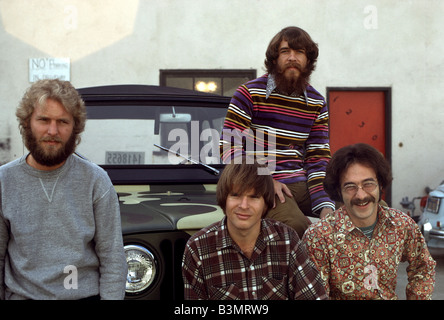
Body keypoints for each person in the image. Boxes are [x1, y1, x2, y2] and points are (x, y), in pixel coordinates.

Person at [0, 79, 127, 300]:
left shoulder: (96, 181)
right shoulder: (4, 181)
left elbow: (113, 259)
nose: (52, 130)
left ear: (74, 127)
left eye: (62, 122)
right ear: (27, 122)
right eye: (43, 120)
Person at [220, 26, 334, 238]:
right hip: (262, 183)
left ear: (308, 60)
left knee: (359, 213)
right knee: (298, 228)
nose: (292, 57)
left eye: (299, 52)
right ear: (274, 59)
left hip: (304, 184)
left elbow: (318, 157)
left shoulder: (317, 102)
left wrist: (325, 204)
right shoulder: (249, 93)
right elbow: (229, 147)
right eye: (285, 52)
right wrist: (263, 180)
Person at [302, 143, 436, 300]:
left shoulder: (401, 224)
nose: (360, 195)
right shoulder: (318, 237)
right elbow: (316, 295)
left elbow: (423, 266)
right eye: (350, 187)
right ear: (339, 191)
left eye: (368, 184)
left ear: (380, 184)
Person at [182, 159, 328, 300]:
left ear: (266, 204)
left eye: (254, 197)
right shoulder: (198, 249)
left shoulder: (287, 240)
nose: (244, 205)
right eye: (235, 195)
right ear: (224, 198)